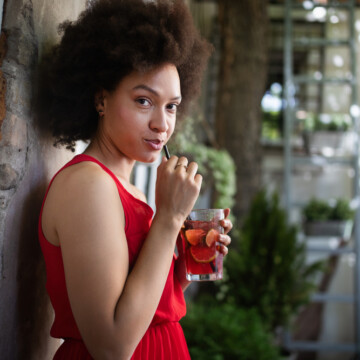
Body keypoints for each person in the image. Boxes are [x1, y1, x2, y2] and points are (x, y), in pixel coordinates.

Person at [38, 0, 232, 359]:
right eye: (144, 101)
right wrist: (169, 218)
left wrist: (184, 268)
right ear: (101, 99)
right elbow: (111, 346)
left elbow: (144, 308)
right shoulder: (88, 185)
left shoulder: (124, 186)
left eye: (171, 105)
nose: (162, 124)